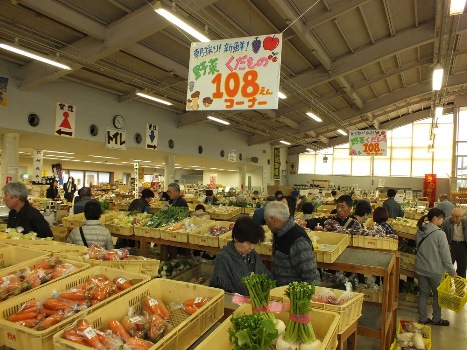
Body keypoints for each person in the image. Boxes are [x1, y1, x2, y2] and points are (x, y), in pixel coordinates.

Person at [415, 207, 457, 326]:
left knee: (423, 293)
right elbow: (445, 256)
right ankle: (436, 319)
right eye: (441, 219)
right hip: (435, 271)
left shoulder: (420, 230)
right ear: (435, 218)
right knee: (437, 295)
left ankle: (422, 319)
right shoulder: (440, 234)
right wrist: (452, 271)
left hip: (420, 268)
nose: (443, 221)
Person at [264, 201, 320, 286]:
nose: (266, 224)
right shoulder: (279, 233)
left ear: (274, 220)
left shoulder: (298, 241)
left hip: (293, 295)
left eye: (267, 221)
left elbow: (311, 277)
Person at [211, 217, 271, 295]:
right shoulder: (224, 258)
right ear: (236, 238)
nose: (252, 247)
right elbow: (221, 289)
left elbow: (265, 276)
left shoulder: (253, 255)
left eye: (254, 243)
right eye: (248, 243)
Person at [441, 207, 467, 278]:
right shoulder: (447, 221)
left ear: (462, 216)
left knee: (462, 267)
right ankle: (446, 286)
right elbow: (442, 234)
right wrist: (446, 244)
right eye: (452, 216)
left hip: (463, 246)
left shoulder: (466, 222)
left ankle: (460, 287)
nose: (454, 218)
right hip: (451, 245)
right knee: (448, 267)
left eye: (457, 217)